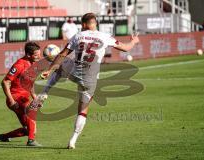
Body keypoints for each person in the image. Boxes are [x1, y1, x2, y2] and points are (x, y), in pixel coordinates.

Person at [33, 13, 139, 149]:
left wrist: (49, 69)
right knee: (83, 110)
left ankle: (45, 92)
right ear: (95, 23)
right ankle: (73, 140)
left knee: (62, 64)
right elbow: (126, 48)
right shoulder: (105, 37)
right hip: (90, 80)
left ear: (83, 24)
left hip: (74, 73)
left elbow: (63, 54)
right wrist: (134, 41)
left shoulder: (78, 35)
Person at [0, 42, 42, 147]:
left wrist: (34, 96)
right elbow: (5, 82)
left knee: (30, 130)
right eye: (36, 55)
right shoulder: (19, 64)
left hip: (23, 98)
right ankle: (31, 141)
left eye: (39, 54)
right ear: (28, 55)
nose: (39, 57)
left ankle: (4, 136)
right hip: (16, 98)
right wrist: (11, 100)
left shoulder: (33, 64)